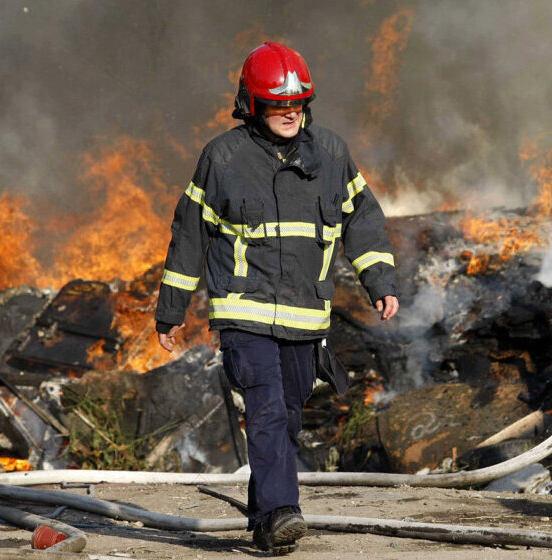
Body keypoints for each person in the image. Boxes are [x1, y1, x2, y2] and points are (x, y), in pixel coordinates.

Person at [154, 41, 399, 554]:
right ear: (252, 104)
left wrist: (380, 284)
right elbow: (189, 235)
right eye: (276, 103)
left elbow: (364, 220)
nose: (289, 113)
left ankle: (267, 522)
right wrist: (171, 311)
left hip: (305, 318)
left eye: (296, 103)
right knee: (264, 407)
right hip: (243, 314)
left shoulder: (330, 154)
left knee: (287, 415)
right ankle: (284, 510)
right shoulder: (222, 158)